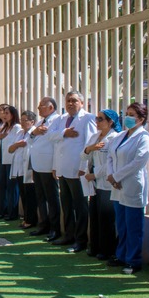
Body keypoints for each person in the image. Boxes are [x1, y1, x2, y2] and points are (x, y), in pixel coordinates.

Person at [48, 91, 97, 253]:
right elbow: (51, 137)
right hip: (63, 168)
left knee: (80, 206)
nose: (70, 103)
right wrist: (64, 133)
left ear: (82, 103)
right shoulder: (61, 119)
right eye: (68, 100)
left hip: (78, 169)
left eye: (74, 101)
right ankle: (68, 235)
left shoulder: (88, 118)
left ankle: (81, 240)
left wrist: (84, 168)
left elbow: (89, 143)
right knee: (67, 204)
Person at [106, 102, 149, 274]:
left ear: (141, 119)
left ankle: (134, 260)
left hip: (132, 184)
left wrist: (117, 176)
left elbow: (138, 162)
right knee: (122, 224)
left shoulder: (144, 138)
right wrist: (111, 176)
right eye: (126, 113)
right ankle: (121, 255)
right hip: (117, 186)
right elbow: (110, 156)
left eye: (132, 114)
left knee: (133, 225)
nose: (127, 117)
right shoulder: (120, 136)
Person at [80, 109, 121, 261]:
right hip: (94, 183)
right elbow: (83, 155)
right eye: (96, 118)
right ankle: (95, 246)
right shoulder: (95, 136)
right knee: (95, 215)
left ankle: (107, 249)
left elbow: (110, 162)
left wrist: (95, 175)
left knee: (106, 218)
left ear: (110, 122)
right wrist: (90, 148)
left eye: (100, 119)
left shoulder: (114, 138)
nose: (97, 122)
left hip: (106, 182)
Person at [28, 97, 61, 242]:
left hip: (48, 165)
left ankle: (55, 229)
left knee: (52, 198)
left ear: (51, 107)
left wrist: (55, 166)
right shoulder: (41, 122)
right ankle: (43, 225)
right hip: (37, 164)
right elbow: (30, 139)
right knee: (40, 197)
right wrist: (34, 133)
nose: (39, 108)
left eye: (42, 105)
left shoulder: (58, 120)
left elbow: (56, 143)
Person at [9, 110, 38, 229]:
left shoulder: (35, 133)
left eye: (25, 120)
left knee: (30, 195)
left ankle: (31, 220)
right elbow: (10, 149)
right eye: (21, 120)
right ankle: (26, 218)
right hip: (18, 168)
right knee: (23, 194)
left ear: (32, 122)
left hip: (29, 169)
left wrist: (17, 145)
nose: (22, 122)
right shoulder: (19, 133)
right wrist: (16, 145)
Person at [0, 105, 22, 221]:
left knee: (12, 188)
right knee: (3, 185)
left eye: (7, 113)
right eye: (4, 113)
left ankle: (12, 213)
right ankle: (3, 209)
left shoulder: (16, 127)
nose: (4, 115)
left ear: (13, 115)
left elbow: (15, 143)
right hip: (2, 159)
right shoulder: (4, 127)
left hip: (11, 161)